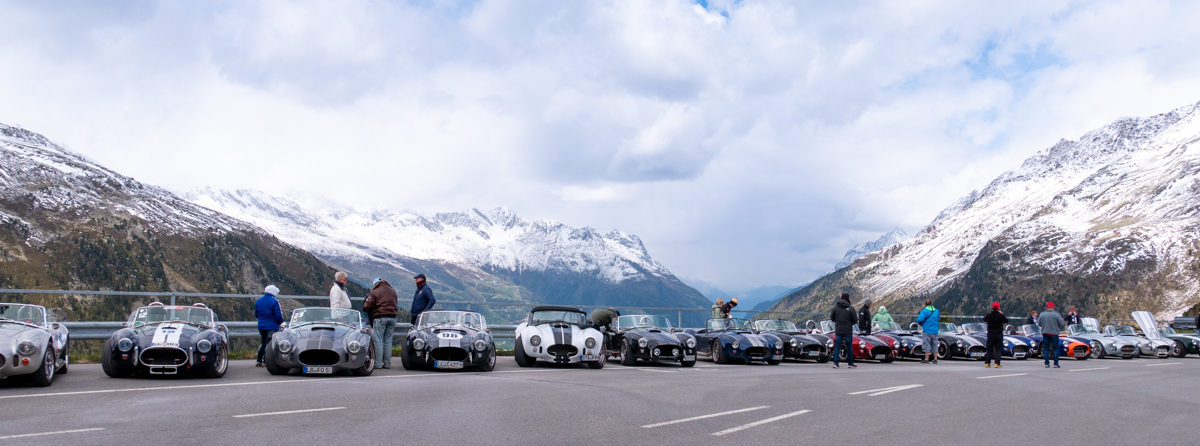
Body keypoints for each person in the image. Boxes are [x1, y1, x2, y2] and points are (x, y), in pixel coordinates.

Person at [363, 278, 399, 369]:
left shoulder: (375, 292)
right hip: (393, 318)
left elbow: (366, 306)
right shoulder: (393, 291)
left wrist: (371, 310)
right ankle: (387, 363)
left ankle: (378, 364)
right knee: (388, 342)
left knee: (378, 341)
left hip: (380, 318)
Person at [254, 285, 284, 368]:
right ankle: (266, 361)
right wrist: (281, 322)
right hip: (272, 326)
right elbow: (278, 315)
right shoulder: (275, 301)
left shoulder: (259, 301)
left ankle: (258, 360)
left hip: (261, 326)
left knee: (263, 343)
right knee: (269, 344)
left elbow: (256, 314)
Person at [830, 293, 857, 369]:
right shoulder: (850, 308)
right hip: (848, 330)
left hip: (838, 329)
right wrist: (849, 323)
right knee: (849, 346)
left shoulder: (836, 308)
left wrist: (838, 322)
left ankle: (836, 363)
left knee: (837, 346)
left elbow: (832, 318)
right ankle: (850, 363)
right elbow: (855, 320)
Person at [1038, 302, 1065, 368]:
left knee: (1046, 348)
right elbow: (1061, 323)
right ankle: (1056, 363)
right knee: (1055, 348)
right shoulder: (1056, 314)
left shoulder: (1042, 314)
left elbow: (1039, 323)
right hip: (1054, 334)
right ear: (1053, 307)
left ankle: (1046, 363)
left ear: (1047, 307)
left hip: (1045, 333)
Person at [982, 302, 1008, 368]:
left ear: (992, 307)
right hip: (998, 334)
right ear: (998, 307)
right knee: (998, 349)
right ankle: (997, 363)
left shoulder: (989, 315)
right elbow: (1006, 320)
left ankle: (987, 363)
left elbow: (984, 319)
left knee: (989, 349)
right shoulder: (1000, 315)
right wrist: (1002, 314)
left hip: (990, 334)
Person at [915, 299, 940, 364]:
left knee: (927, 344)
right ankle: (935, 359)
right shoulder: (937, 311)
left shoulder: (924, 311)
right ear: (931, 304)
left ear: (925, 304)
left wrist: (918, 321)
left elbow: (920, 319)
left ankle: (927, 359)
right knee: (935, 344)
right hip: (935, 330)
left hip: (927, 330)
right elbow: (938, 319)